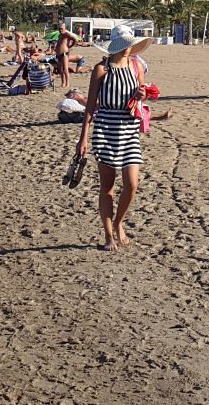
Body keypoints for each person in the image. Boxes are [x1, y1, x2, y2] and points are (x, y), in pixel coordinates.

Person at [76, 26, 154, 252]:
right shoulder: (102, 69)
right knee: (107, 188)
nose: (128, 49)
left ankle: (119, 222)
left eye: (130, 45)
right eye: (125, 45)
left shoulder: (136, 66)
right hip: (105, 129)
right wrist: (83, 138)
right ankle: (109, 235)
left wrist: (143, 94)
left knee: (132, 184)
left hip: (129, 128)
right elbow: (90, 105)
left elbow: (142, 95)